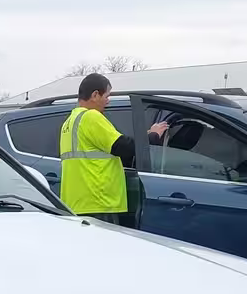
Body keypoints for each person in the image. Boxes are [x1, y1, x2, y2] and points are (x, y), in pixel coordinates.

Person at [59, 73, 168, 224]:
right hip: (98, 202)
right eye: (107, 96)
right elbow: (123, 148)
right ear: (95, 94)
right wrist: (154, 136)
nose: (108, 101)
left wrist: (144, 135)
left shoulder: (70, 122)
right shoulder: (91, 117)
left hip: (77, 202)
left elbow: (106, 144)